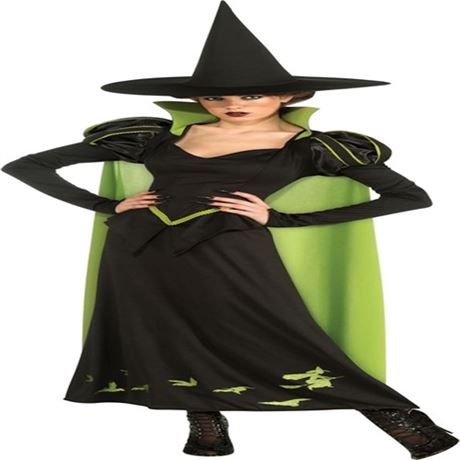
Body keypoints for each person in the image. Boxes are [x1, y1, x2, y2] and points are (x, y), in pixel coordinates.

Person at [1, 1, 458, 458]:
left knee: (280, 333)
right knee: (170, 335)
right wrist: (108, 206)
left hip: (234, 252)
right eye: (216, 97)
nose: (232, 105)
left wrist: (281, 219)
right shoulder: (154, 137)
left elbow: (410, 197)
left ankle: (404, 424)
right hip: (141, 254)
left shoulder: (311, 148)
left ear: (288, 96)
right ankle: (206, 425)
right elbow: (29, 166)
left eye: (252, 96)